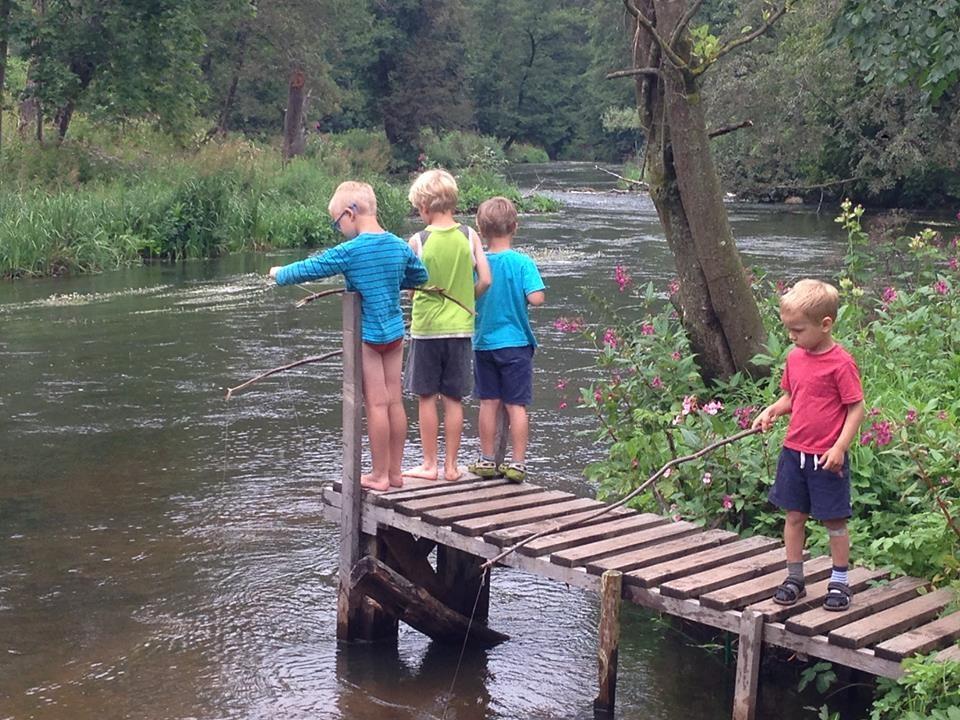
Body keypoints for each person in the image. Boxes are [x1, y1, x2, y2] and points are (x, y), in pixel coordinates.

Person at [269, 181, 428, 492]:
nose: (338, 228)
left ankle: (379, 475)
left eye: (337, 222)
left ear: (349, 213)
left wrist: (279, 274)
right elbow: (420, 276)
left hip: (369, 337)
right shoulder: (397, 245)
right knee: (395, 401)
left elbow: (312, 267)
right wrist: (395, 280)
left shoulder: (351, 251)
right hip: (396, 334)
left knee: (377, 405)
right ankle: (396, 474)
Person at [752, 279, 865, 611]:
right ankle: (794, 578)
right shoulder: (795, 357)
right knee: (794, 516)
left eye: (798, 330)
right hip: (794, 452)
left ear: (825, 324)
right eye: (789, 329)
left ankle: (840, 582)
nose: (791, 336)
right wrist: (772, 409)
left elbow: (856, 408)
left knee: (834, 521)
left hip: (826, 458)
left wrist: (840, 447)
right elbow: (791, 396)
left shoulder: (840, 363)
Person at [403, 169, 492, 482]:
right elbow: (485, 279)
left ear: (425, 207)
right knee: (454, 398)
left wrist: (416, 293)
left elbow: (410, 288)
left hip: (426, 329)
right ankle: (452, 468)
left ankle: (429, 465)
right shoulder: (470, 235)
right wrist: (469, 298)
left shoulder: (418, 241)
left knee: (426, 396)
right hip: (460, 329)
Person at [467, 197, 545, 483]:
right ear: (515, 227)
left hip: (484, 343)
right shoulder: (522, 262)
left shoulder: (477, 263)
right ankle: (518, 463)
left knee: (488, 403)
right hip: (516, 345)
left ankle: (488, 460)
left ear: (481, 230)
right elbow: (537, 299)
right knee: (516, 405)